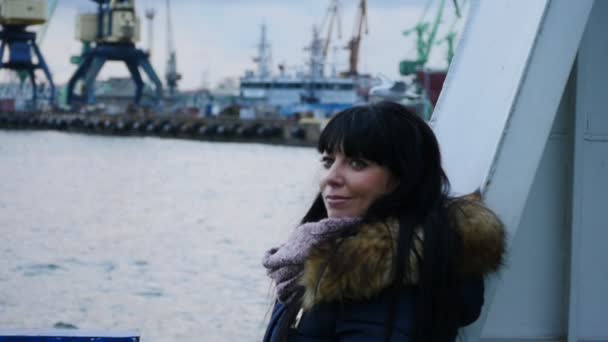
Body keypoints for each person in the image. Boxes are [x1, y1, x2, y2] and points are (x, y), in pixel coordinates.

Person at [262, 101, 506, 341]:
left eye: (357, 164)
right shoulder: (325, 257)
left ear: (404, 178)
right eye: (328, 161)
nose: (331, 178)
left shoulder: (377, 280)